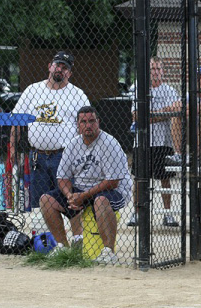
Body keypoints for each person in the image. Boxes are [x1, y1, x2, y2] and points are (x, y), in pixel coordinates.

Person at [10, 51, 90, 243]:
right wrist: (12, 148)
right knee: (42, 201)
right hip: (37, 155)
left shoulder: (77, 95)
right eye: (57, 65)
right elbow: (17, 121)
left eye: (65, 68)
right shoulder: (33, 90)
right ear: (49, 66)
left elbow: (86, 125)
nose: (60, 69)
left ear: (69, 73)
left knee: (71, 198)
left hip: (65, 156)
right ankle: (55, 243)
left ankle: (78, 239)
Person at [39, 106, 132, 264]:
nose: (88, 125)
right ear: (78, 125)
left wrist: (82, 196)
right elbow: (62, 177)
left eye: (91, 121)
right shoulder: (73, 145)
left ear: (98, 123)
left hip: (114, 190)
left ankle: (108, 252)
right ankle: (64, 247)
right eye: (83, 122)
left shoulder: (110, 144)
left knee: (100, 200)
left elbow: (112, 182)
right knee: (46, 200)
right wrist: (70, 196)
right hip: (82, 190)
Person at [128, 56, 179, 227]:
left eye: (158, 69)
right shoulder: (138, 88)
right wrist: (163, 113)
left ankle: (167, 214)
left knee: (165, 178)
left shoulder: (170, 91)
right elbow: (136, 116)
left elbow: (175, 112)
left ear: (163, 71)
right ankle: (136, 214)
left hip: (163, 142)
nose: (155, 72)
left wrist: (150, 115)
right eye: (152, 69)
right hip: (142, 142)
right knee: (139, 179)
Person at [166, 66, 201, 165]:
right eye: (195, 78)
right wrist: (197, 108)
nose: (198, 81)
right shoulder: (190, 94)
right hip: (193, 126)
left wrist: (187, 108)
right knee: (176, 116)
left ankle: (193, 155)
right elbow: (175, 108)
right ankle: (178, 154)